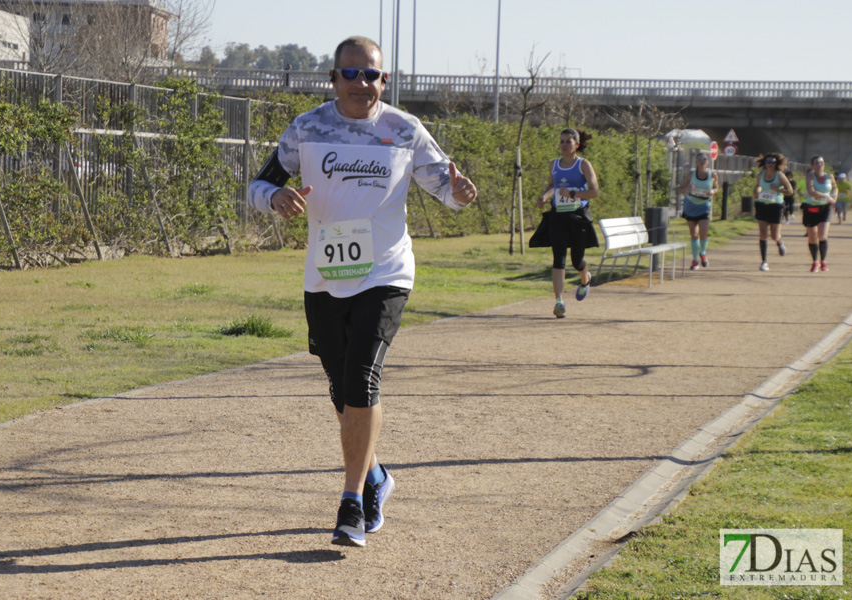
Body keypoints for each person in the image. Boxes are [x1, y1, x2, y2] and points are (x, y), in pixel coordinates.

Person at [247, 36, 477, 548]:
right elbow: (258, 186)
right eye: (350, 74)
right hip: (325, 275)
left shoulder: (404, 130)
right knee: (339, 386)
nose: (361, 84)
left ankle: (352, 501)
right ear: (333, 78)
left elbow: (447, 187)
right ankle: (375, 474)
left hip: (386, 272)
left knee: (362, 377)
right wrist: (276, 197)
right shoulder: (307, 128)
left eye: (370, 75)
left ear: (383, 80)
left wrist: (459, 193)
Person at [530, 128, 600, 318]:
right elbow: (552, 185)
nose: (564, 145)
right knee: (558, 259)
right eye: (561, 141)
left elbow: (594, 192)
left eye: (568, 141)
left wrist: (573, 194)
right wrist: (543, 197)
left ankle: (585, 279)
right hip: (558, 217)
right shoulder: (553, 164)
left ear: (577, 145)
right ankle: (559, 302)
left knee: (577, 260)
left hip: (578, 217)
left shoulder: (583, 165)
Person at [752, 153, 793, 271]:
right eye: (768, 162)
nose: (770, 164)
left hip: (776, 206)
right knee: (763, 234)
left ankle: (779, 242)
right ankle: (764, 261)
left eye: (773, 162)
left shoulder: (779, 175)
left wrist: (778, 189)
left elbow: (790, 191)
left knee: (774, 235)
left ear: (777, 164)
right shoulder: (761, 175)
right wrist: (758, 189)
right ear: (765, 163)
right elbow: (758, 186)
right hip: (762, 204)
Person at [676, 153, 718, 270]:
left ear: (708, 162)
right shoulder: (691, 174)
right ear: (696, 162)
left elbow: (716, 187)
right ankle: (695, 260)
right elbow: (680, 190)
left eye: (704, 159)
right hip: (691, 206)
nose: (702, 161)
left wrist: (713, 192)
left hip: (704, 205)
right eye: (699, 159)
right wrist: (687, 188)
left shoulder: (713, 175)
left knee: (703, 233)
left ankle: (703, 253)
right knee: (694, 234)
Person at [802, 156, 837, 272]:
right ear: (812, 165)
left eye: (821, 162)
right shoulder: (810, 176)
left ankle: (823, 262)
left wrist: (833, 198)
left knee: (822, 235)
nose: (819, 165)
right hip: (811, 208)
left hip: (825, 208)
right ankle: (815, 261)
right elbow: (811, 191)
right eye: (816, 163)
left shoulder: (829, 176)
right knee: (812, 237)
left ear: (824, 164)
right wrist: (826, 196)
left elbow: (835, 188)